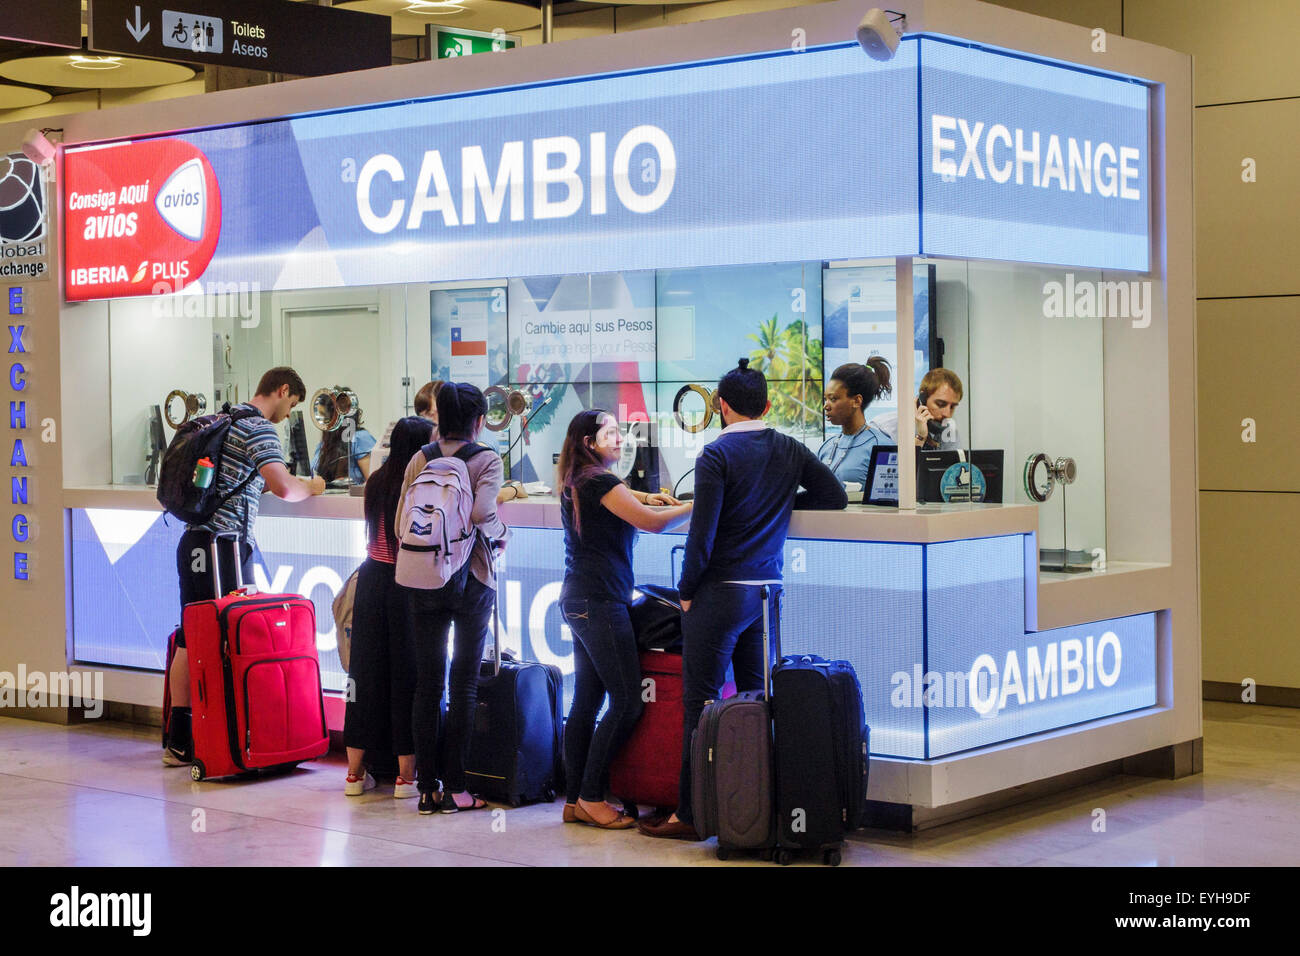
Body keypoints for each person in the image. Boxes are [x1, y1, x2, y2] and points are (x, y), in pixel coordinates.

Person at [638, 358, 848, 840]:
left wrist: (687, 591)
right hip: (765, 594)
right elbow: (833, 494)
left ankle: (690, 815)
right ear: (768, 405)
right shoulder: (789, 448)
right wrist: (777, 505)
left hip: (718, 594)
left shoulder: (715, 456)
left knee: (701, 705)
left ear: (722, 407)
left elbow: (702, 535)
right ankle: (759, 806)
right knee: (757, 701)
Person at [164, 367, 326, 766]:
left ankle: (183, 740)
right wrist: (315, 486)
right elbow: (284, 487)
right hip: (227, 548)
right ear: (282, 390)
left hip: (195, 541)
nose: (288, 416)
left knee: (191, 637)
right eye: (291, 405)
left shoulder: (225, 418)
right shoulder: (259, 429)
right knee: (225, 639)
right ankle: (220, 737)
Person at [557, 410, 692, 829]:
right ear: (588, 443)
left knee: (586, 703)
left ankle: (575, 799)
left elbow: (632, 504)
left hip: (581, 598)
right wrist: (698, 504)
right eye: (610, 433)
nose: (620, 439)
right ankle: (592, 797)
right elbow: (650, 525)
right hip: (599, 602)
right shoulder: (599, 481)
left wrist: (647, 497)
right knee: (627, 701)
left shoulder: (582, 478)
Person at [399, 382, 509, 815]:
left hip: (422, 577)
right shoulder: (487, 459)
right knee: (462, 684)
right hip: (472, 579)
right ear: (479, 421)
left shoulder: (418, 459)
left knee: (428, 684)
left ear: (438, 416)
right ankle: (458, 789)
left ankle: (426, 789)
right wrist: (503, 536)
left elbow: (399, 525)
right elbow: (484, 514)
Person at [344, 416, 434, 799]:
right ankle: (405, 778)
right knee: (407, 678)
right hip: (405, 584)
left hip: (371, 580)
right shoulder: (419, 486)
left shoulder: (376, 481)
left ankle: (353, 775)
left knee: (363, 676)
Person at [818, 358, 894, 486]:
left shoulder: (881, 446)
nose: (826, 406)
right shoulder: (826, 446)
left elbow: (888, 497)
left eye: (833, 399)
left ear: (857, 401)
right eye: (825, 399)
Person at [871, 367, 964, 450]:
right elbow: (894, 468)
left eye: (952, 407)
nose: (947, 414)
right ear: (923, 399)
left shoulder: (947, 429)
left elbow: (955, 467)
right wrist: (920, 437)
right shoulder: (884, 429)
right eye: (940, 404)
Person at [312, 386, 376, 484]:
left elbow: (374, 484)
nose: (321, 422)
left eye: (324, 415)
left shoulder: (360, 439)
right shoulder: (324, 444)